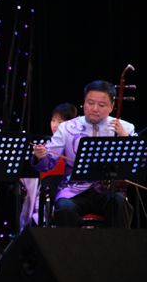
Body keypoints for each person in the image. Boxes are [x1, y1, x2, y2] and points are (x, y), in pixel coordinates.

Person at [32, 80, 135, 228]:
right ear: (84, 103)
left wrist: (126, 139)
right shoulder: (67, 128)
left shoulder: (125, 127)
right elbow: (47, 163)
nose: (94, 109)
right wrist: (40, 156)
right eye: (90, 103)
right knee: (65, 208)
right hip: (73, 191)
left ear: (112, 106)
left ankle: (117, 244)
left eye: (101, 105)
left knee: (119, 203)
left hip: (108, 191)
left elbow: (137, 162)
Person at [20, 103, 77, 229]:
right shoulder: (48, 145)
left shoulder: (75, 144)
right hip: (48, 190)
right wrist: (39, 156)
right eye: (53, 120)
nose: (55, 125)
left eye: (60, 122)